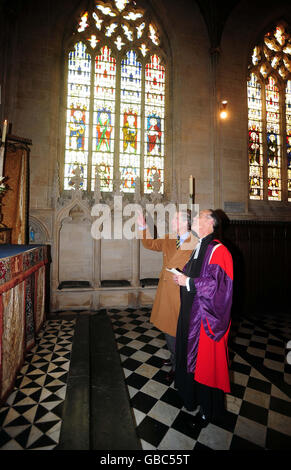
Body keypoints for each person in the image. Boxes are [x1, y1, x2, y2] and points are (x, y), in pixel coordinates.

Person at [172, 209, 233, 429]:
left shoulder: (219, 250)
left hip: (207, 321)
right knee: (196, 365)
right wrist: (181, 277)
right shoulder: (200, 247)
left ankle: (210, 413)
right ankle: (197, 402)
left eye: (199, 217)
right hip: (193, 315)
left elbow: (218, 287)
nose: (195, 219)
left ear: (211, 223)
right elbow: (193, 275)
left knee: (207, 368)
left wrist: (187, 281)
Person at [137, 210, 196, 383]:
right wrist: (143, 225)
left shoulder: (196, 243)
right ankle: (173, 357)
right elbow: (149, 244)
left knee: (175, 331)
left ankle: (178, 368)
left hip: (181, 294)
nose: (172, 221)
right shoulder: (169, 238)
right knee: (167, 327)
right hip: (166, 291)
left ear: (186, 223)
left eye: (176, 219)